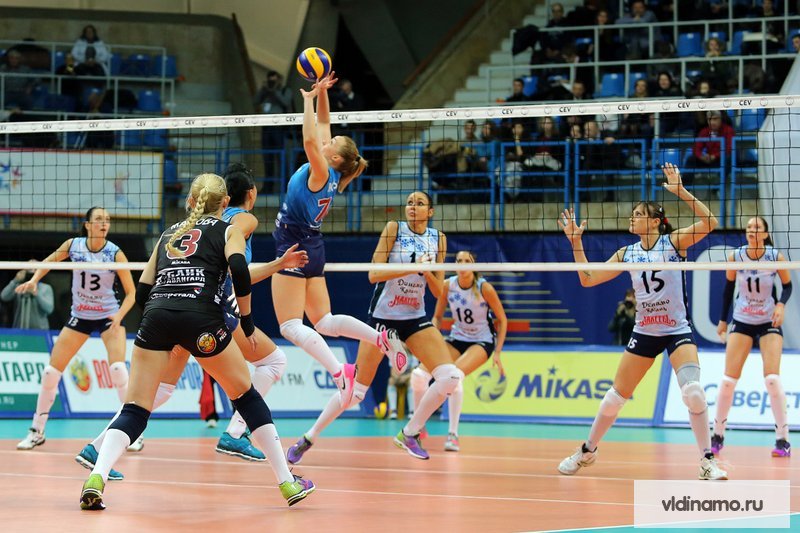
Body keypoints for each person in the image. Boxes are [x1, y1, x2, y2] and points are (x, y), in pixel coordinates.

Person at [79, 173, 314, 510]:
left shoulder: (167, 234)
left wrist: (167, 331)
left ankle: (96, 477)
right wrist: (247, 322)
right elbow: (239, 269)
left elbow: (143, 291)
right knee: (246, 396)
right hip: (202, 320)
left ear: (190, 201)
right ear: (225, 203)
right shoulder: (228, 229)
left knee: (135, 409)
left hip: (157, 317)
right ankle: (287, 482)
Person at [556, 163, 727, 480]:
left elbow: (710, 222)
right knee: (614, 398)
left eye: (637, 214)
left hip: (677, 330)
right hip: (645, 332)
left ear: (654, 221)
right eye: (632, 214)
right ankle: (587, 451)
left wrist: (680, 191)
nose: (631, 218)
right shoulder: (627, 253)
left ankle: (708, 461)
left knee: (693, 392)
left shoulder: (674, 243)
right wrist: (576, 243)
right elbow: (587, 278)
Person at [286, 191, 458, 463]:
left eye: (419, 203)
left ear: (431, 211)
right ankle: (309, 437)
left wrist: (426, 271)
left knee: (450, 376)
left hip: (415, 318)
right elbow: (373, 274)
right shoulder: (394, 229)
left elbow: (439, 292)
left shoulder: (439, 239)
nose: (412, 207)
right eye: (409, 202)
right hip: (383, 318)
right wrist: (411, 267)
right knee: (355, 393)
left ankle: (410, 433)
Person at [271, 72, 408, 410]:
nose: (326, 139)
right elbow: (323, 124)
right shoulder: (331, 169)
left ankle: (338, 370)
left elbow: (309, 139)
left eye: (331, 142)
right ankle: (380, 338)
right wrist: (321, 93)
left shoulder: (320, 170)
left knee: (290, 326)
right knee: (324, 322)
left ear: (334, 158)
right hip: (313, 244)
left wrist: (305, 101)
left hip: (294, 244)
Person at [16, 207, 136, 450]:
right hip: (80, 316)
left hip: (107, 316)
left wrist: (119, 316)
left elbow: (132, 293)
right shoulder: (74, 246)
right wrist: (34, 280)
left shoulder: (115, 253)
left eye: (107, 220)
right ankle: (37, 431)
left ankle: (133, 433)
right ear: (87, 225)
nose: (104, 223)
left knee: (118, 371)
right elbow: (49, 262)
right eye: (99, 219)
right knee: (50, 373)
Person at [713, 216, 792, 457]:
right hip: (743, 319)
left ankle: (782, 440)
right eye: (748, 227)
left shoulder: (775, 256)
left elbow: (788, 286)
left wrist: (781, 305)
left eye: (756, 227)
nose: (751, 230)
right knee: (728, 381)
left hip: (768, 320)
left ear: (765, 234)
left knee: (772, 379)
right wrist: (723, 320)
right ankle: (717, 435)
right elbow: (728, 289)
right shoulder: (736, 256)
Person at [431, 250, 507, 451]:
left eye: (467, 261)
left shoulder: (484, 288)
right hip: (457, 338)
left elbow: (502, 320)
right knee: (419, 375)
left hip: (482, 341)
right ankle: (417, 427)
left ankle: (453, 434)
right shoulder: (448, 285)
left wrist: (498, 352)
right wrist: (434, 336)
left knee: (454, 376)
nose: (462, 264)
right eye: (459, 261)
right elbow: (437, 317)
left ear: (473, 265)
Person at [254, 70, 294, 191]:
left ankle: (285, 186)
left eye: (274, 80)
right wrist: (264, 90)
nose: (272, 82)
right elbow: (255, 101)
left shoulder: (285, 90)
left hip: (279, 127)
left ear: (279, 80)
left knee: (281, 157)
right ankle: (268, 186)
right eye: (270, 80)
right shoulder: (265, 91)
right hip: (266, 127)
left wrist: (275, 91)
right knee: (267, 157)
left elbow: (286, 102)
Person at [1, 261, 54, 330]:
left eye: (35, 268)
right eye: (29, 267)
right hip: (19, 330)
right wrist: (15, 280)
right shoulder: (18, 286)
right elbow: (4, 297)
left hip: (40, 331)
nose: (31, 271)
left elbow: (49, 309)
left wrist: (36, 293)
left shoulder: (45, 287)